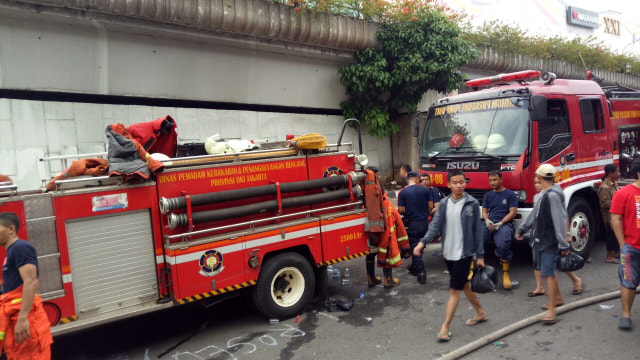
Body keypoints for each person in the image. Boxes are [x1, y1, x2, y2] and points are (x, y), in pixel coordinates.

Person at [413, 170, 487, 342]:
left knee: (454, 290)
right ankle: (481, 312)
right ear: (449, 184)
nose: (459, 185)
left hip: (464, 253)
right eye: (455, 182)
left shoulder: (472, 204)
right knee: (465, 285)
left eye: (462, 182)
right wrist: (423, 242)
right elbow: (435, 225)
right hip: (448, 253)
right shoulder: (444, 203)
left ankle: (445, 327)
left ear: (465, 183)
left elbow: (477, 231)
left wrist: (480, 255)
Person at [515, 164, 570, 324]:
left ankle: (552, 309)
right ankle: (558, 299)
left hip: (549, 241)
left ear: (539, 177)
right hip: (541, 238)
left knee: (548, 274)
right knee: (548, 272)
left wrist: (563, 244)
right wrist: (524, 228)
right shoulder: (545, 193)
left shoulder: (552, 196)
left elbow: (559, 220)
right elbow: (535, 213)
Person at [0, 212, 53, 359]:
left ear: (11, 229)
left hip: (25, 320)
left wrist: (22, 318)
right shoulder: (12, 252)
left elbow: (30, 281)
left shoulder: (20, 247)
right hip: (16, 318)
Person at [363, 168, 410, 289]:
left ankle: (371, 278)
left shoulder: (365, 189)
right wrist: (405, 246)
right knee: (387, 249)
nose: (378, 177)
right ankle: (388, 280)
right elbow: (396, 221)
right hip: (382, 227)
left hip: (369, 228)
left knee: (371, 252)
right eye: (377, 175)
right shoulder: (379, 192)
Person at [610, 157, 640, 330]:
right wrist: (623, 245)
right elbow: (615, 219)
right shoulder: (623, 193)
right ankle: (626, 314)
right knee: (628, 281)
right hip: (631, 247)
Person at [481, 170, 518, 290]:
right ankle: (474, 271)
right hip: (490, 223)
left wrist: (501, 223)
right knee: (476, 239)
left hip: (504, 224)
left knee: (503, 244)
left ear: (501, 180)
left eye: (495, 180)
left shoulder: (510, 194)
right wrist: (487, 220)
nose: (492, 182)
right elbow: (485, 211)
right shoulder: (488, 195)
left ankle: (506, 274)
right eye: (490, 180)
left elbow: (513, 213)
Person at [398, 171, 433, 284]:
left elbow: (401, 210)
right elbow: (431, 206)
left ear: (407, 180)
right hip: (424, 222)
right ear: (417, 179)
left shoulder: (403, 192)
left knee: (414, 246)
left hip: (412, 223)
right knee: (420, 245)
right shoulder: (425, 190)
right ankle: (414, 267)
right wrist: (425, 214)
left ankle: (421, 273)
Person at [598, 164, 621, 263]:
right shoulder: (605, 187)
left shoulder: (613, 184)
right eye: (617, 172)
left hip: (614, 215)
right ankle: (609, 257)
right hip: (609, 217)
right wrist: (620, 203)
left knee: (615, 235)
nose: (619, 174)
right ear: (611, 173)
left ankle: (616, 253)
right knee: (610, 236)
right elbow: (604, 203)